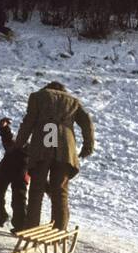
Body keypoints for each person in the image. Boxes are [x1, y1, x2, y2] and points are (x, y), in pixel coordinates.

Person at [14, 81, 94, 231]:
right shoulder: (73, 101)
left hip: (42, 150)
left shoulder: (38, 97)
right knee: (60, 192)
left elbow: (29, 122)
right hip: (65, 152)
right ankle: (59, 230)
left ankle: (31, 227)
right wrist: (88, 146)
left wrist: (18, 145)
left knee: (36, 190)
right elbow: (86, 121)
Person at [0, 117, 29, 231]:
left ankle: (20, 224)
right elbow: (8, 142)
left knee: (18, 196)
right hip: (7, 165)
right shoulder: (14, 144)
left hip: (21, 167)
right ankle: (0, 216)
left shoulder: (33, 146)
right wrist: (4, 127)